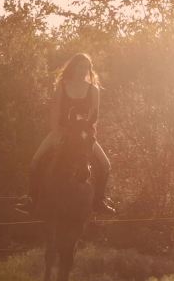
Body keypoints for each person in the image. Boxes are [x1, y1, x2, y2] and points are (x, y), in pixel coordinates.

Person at [17, 53, 115, 215]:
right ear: (73, 67)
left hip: (84, 133)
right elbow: (55, 111)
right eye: (80, 66)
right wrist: (56, 133)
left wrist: (90, 134)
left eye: (86, 67)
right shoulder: (63, 86)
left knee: (105, 165)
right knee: (35, 161)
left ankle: (99, 201)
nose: (83, 70)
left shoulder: (93, 90)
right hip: (62, 131)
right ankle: (32, 200)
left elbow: (94, 115)